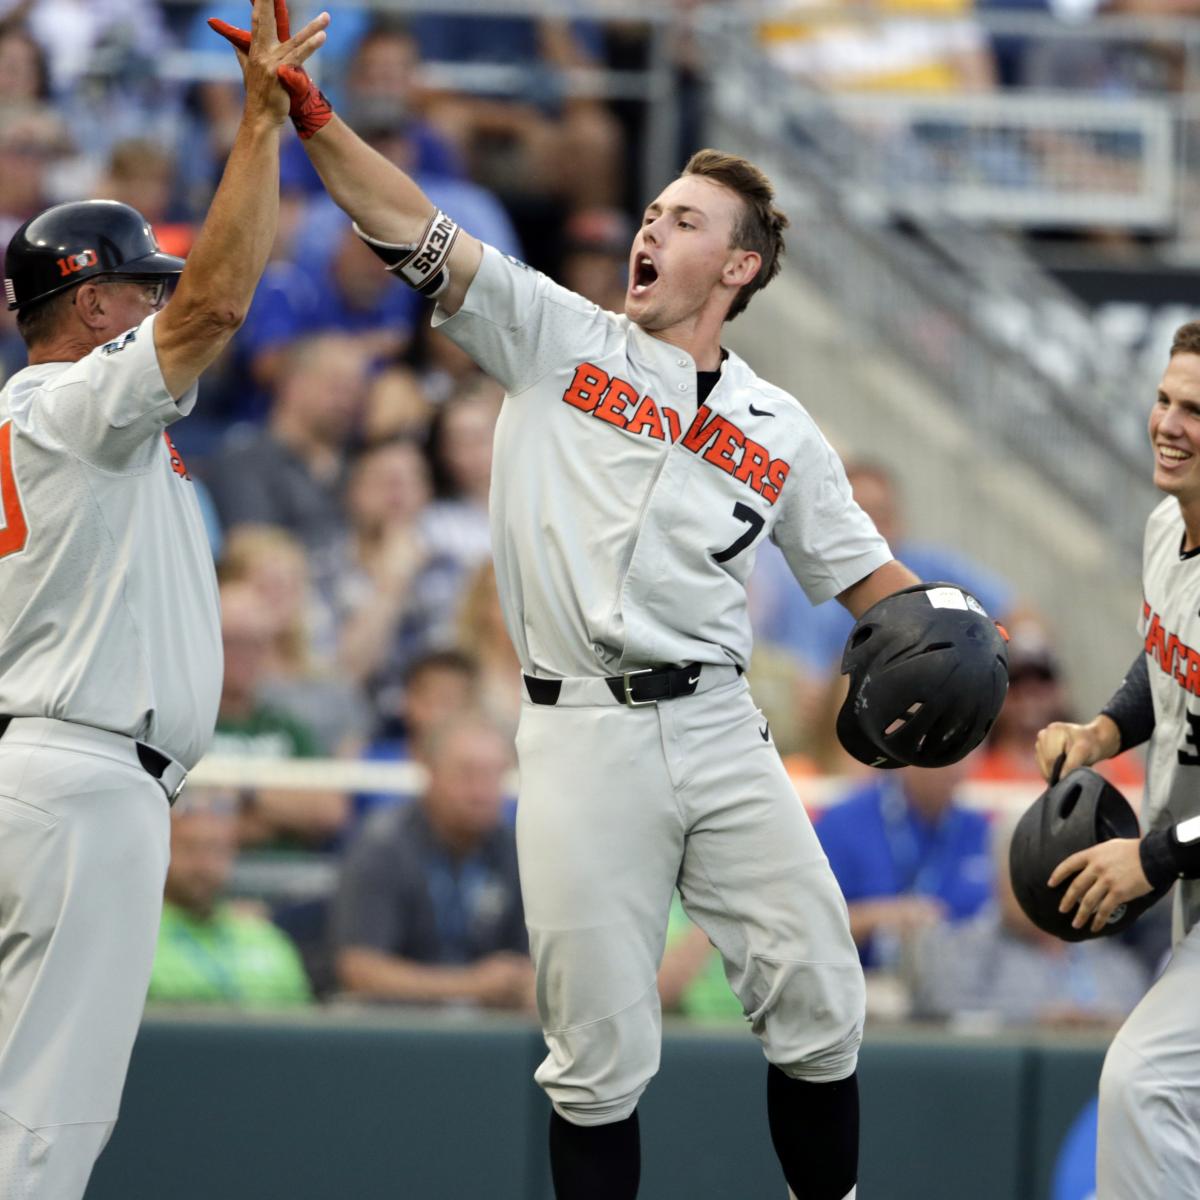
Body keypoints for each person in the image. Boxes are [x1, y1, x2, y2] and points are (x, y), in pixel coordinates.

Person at [211, 8, 919, 1195]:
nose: (652, 227)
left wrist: (957, 624)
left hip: (718, 722)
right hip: (583, 728)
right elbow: (406, 221)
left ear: (736, 269)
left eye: (684, 221)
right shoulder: (555, 337)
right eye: (653, 212)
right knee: (598, 1054)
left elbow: (873, 582)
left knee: (821, 999)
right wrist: (315, 118)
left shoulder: (780, 427)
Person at [0, 3, 327, 1194]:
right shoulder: (79, 404)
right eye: (135, 288)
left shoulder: (46, 423)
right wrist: (257, 122)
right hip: (83, 781)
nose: (154, 306)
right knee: (46, 1118)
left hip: (39, 767)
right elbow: (219, 306)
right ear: (87, 305)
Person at [1030, 320, 1200, 1198]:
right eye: (1165, 400)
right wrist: (1102, 730)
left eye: (1195, 409)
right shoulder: (1168, 525)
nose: (1168, 423)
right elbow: (1166, 651)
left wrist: (1154, 856)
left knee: (1141, 1082)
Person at [330, 714, 532, 1009]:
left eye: (493, 775)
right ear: (430, 771)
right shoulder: (382, 846)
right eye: (467, 774)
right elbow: (359, 970)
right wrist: (474, 985)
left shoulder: (514, 850)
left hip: (491, 1035)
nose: (481, 791)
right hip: (394, 1033)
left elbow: (528, 965)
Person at [909, 812, 1152, 1029]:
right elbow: (948, 1022)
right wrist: (1035, 1020)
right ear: (999, 877)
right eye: (1027, 870)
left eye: (1056, 870)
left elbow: (1139, 1026)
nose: (1044, 885)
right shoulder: (959, 951)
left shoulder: (1114, 961)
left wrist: (1099, 1022)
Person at [814, 761, 993, 969]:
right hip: (861, 982)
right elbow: (811, 928)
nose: (952, 765)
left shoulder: (979, 830)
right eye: (940, 751)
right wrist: (879, 917)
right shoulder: (841, 823)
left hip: (957, 986)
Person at [147, 792, 314, 1008]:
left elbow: (301, 1022)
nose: (204, 865)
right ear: (162, 850)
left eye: (216, 850)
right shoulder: (140, 936)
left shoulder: (265, 937)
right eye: (189, 848)